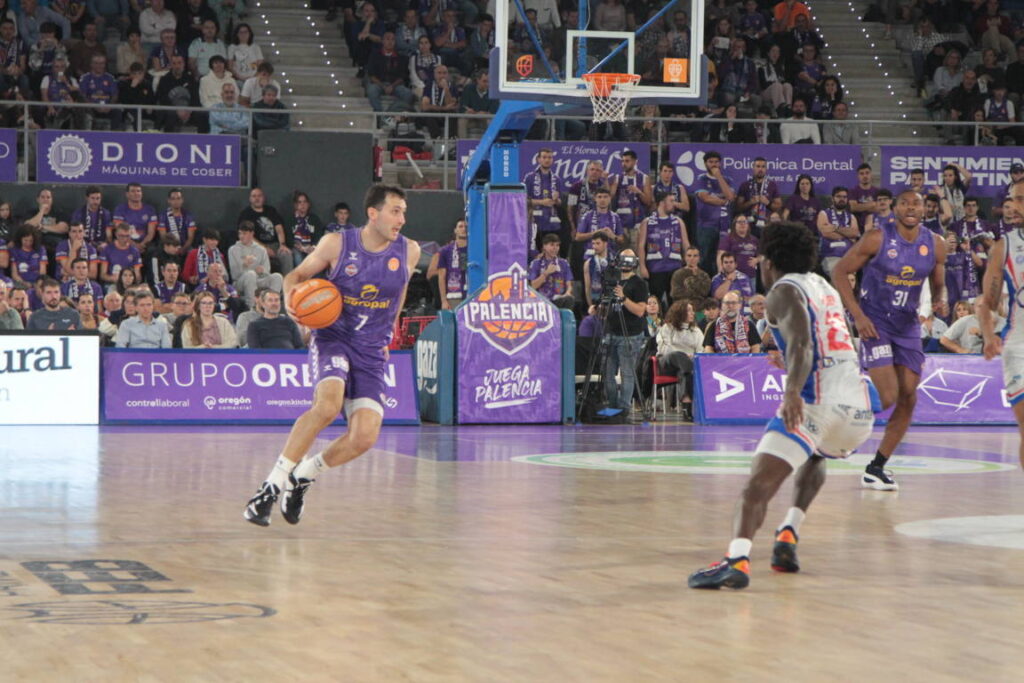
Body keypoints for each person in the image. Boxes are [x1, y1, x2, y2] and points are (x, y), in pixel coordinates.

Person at [689, 220, 873, 590]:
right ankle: (788, 534)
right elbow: (831, 343)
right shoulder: (824, 287)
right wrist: (790, 361)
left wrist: (791, 391)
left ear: (768, 260)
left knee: (756, 486)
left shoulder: (782, 291)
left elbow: (803, 345)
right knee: (817, 455)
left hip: (816, 403)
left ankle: (736, 560)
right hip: (858, 410)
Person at [243, 184, 420, 527]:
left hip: (371, 348)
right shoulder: (338, 243)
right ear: (373, 213)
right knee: (326, 406)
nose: (402, 218)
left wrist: (390, 330)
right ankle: (270, 486)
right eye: (395, 210)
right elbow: (294, 275)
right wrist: (295, 305)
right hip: (333, 337)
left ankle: (305, 475)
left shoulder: (409, 251)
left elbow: (401, 290)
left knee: (365, 437)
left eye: (404, 211)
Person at [833, 191, 947, 491]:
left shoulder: (936, 243)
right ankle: (835, 414)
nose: (911, 207)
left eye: (917, 203)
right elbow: (840, 271)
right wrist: (857, 316)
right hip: (876, 322)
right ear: (893, 209)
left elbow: (938, 282)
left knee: (909, 395)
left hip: (908, 325)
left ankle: (876, 467)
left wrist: (939, 301)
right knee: (888, 396)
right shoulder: (876, 237)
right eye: (905, 203)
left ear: (925, 209)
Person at [979, 176, 1024, 468]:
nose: (1013, 208)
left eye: (1021, 200)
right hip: (1020, 348)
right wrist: (987, 335)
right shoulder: (1004, 246)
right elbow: (987, 303)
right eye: (1012, 201)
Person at [601, 249, 648, 418]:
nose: (625, 264)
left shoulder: (639, 284)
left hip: (630, 334)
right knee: (607, 373)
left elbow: (640, 311)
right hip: (611, 332)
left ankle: (624, 408)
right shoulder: (613, 281)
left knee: (627, 373)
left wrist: (623, 298)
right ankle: (612, 406)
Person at [638, 189, 688, 305]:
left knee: (675, 302)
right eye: (671, 201)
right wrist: (642, 266)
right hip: (655, 269)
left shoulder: (678, 221)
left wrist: (688, 264)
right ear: (661, 203)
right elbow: (641, 246)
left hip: (675, 268)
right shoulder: (647, 222)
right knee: (655, 303)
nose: (674, 204)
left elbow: (686, 244)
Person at [655, 299, 701, 420]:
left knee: (685, 372)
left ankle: (687, 408)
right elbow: (664, 348)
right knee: (678, 356)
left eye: (693, 311)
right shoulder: (667, 328)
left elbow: (701, 350)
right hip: (667, 364)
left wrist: (694, 356)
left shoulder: (696, 330)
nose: (692, 313)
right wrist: (686, 355)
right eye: (689, 311)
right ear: (680, 312)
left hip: (687, 366)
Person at [694, 151, 735, 275]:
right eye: (710, 162)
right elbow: (704, 197)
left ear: (720, 163)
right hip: (705, 225)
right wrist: (723, 202)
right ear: (705, 163)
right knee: (704, 258)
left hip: (724, 226)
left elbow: (730, 197)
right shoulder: (701, 178)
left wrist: (719, 177)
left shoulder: (727, 179)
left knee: (722, 258)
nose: (714, 165)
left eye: (716, 162)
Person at [229, 221, 283, 307]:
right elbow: (234, 275)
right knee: (251, 274)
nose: (241, 236)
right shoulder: (233, 249)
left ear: (251, 234)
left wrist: (262, 270)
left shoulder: (261, 250)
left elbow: (267, 271)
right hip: (240, 282)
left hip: (258, 280)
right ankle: (252, 307)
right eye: (240, 234)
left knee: (277, 277)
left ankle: (272, 305)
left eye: (244, 234)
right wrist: (244, 265)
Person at [237, 187, 288, 274]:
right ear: (250, 199)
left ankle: (287, 284)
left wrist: (282, 244)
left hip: (274, 245)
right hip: (255, 247)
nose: (257, 198)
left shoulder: (271, 210)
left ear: (263, 198)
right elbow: (248, 236)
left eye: (259, 196)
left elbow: (279, 228)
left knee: (286, 254)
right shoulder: (246, 214)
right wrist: (264, 248)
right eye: (254, 196)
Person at [610, 149, 652, 246]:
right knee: (621, 253)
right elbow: (610, 197)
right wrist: (607, 183)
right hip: (621, 223)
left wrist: (639, 192)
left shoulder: (644, 178)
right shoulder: (617, 178)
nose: (624, 164)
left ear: (635, 162)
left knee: (635, 253)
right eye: (622, 161)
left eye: (627, 161)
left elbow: (649, 202)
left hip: (638, 222)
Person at [365, 31, 416, 112]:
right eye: (387, 39)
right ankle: (379, 113)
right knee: (371, 90)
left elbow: (402, 76)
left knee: (408, 94)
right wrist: (383, 86)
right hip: (379, 84)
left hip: (395, 85)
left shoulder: (401, 58)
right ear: (383, 41)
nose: (390, 42)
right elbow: (371, 75)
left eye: (392, 39)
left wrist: (392, 86)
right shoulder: (375, 56)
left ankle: (391, 111)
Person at [816, 186, 860, 278]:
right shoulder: (824, 214)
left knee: (851, 276)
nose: (842, 199)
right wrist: (846, 234)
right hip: (831, 256)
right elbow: (826, 232)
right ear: (832, 198)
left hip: (849, 257)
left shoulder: (851, 216)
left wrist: (835, 228)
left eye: (844, 197)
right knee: (839, 275)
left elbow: (855, 233)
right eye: (839, 196)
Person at [523, 148, 563, 248]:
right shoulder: (530, 178)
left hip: (552, 224)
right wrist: (541, 202)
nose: (547, 160)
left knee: (551, 252)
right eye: (544, 157)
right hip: (534, 222)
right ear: (538, 159)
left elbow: (560, 203)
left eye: (549, 157)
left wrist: (556, 200)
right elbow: (522, 200)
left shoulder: (556, 179)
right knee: (535, 252)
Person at [574, 187, 624, 261]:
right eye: (599, 197)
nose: (602, 200)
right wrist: (596, 233)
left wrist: (613, 236)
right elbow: (578, 237)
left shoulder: (615, 217)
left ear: (610, 199)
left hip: (610, 256)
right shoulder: (588, 215)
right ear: (595, 199)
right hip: (591, 255)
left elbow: (621, 240)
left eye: (605, 197)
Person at [529, 233, 574, 308]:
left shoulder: (564, 263)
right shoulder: (536, 263)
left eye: (557, 245)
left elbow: (569, 284)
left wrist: (568, 293)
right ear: (544, 246)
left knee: (569, 299)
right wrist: (546, 273)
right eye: (552, 245)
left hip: (559, 299)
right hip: (542, 301)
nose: (555, 248)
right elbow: (533, 286)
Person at [113, 182, 158, 252]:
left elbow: (151, 233)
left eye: (138, 191)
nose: (136, 193)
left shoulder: (150, 210)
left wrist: (142, 245)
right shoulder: (120, 209)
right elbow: (119, 231)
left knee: (152, 250)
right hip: (126, 242)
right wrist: (134, 245)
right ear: (127, 194)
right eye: (133, 191)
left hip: (145, 244)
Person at [286, 191, 324, 269]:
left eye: (305, 202)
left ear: (308, 204)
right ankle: (302, 279)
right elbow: (288, 238)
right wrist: (301, 248)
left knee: (315, 257)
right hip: (297, 247)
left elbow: (319, 235)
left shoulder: (314, 219)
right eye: (299, 202)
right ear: (295, 205)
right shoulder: (290, 219)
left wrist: (313, 246)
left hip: (311, 246)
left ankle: (313, 280)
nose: (302, 205)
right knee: (297, 256)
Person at [437, 219, 467, 310]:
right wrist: (443, 301)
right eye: (460, 226)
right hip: (454, 296)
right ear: (455, 230)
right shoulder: (446, 251)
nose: (464, 229)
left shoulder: (475, 249)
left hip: (473, 292)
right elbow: (441, 276)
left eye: (466, 227)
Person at [717, 215, 759, 281]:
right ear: (734, 225)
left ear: (748, 225)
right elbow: (721, 254)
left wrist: (757, 259)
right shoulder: (728, 239)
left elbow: (763, 255)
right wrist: (721, 269)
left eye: (745, 222)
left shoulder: (754, 239)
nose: (742, 224)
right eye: (739, 222)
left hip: (751, 276)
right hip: (733, 276)